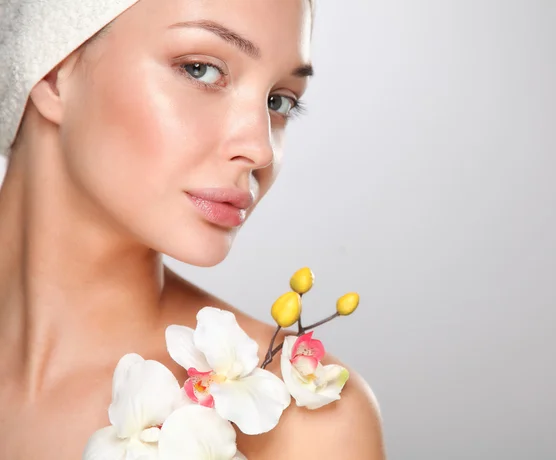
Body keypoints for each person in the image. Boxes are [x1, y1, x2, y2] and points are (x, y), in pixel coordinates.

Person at [0, 0, 385, 458]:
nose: (261, 149)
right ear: (53, 74)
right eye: (201, 70)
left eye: (280, 101)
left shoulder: (307, 423)